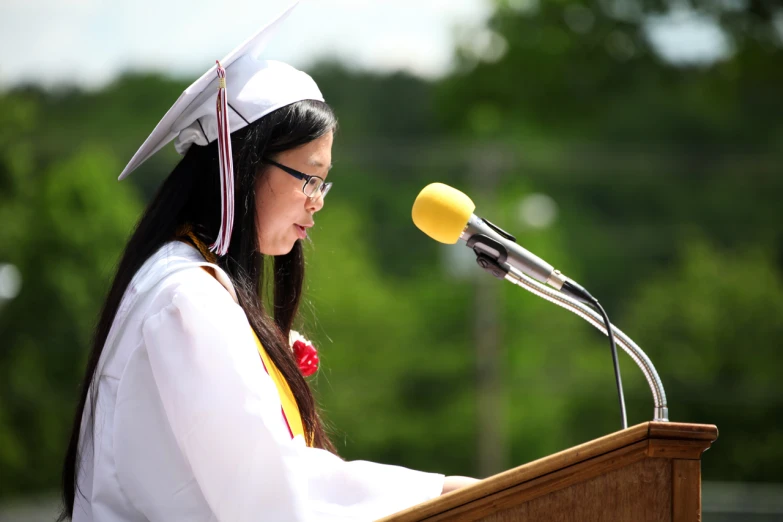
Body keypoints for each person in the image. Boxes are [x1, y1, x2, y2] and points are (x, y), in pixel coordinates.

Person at [57, 4, 477, 522]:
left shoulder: (183, 280)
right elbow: (272, 490)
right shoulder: (187, 298)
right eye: (308, 177)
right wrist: (441, 495)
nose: (317, 200)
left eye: (324, 182)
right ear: (241, 164)